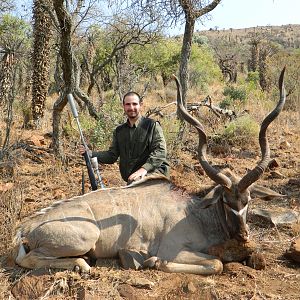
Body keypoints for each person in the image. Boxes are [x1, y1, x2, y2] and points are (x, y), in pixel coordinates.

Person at [79, 91, 170, 184]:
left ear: (140, 105)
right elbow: (111, 156)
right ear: (123, 106)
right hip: (133, 179)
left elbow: (160, 151)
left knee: (135, 183)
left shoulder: (152, 125)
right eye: (128, 104)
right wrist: (90, 153)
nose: (131, 108)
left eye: (134, 104)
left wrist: (144, 169)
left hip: (153, 173)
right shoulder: (119, 131)